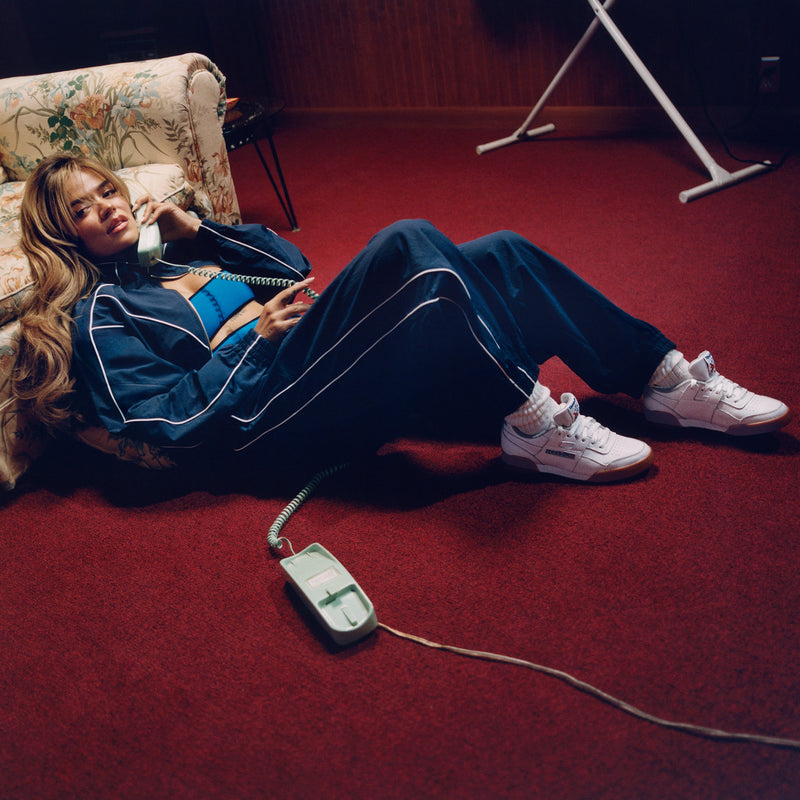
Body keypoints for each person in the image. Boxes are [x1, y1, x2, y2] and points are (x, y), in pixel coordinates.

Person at [13, 153, 791, 484]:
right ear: (61, 233)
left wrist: (197, 233)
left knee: (500, 253)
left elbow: (291, 272)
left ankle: (661, 378)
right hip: (258, 424)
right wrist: (251, 339)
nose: (107, 210)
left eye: (106, 192)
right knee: (408, 245)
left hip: (304, 368)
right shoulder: (101, 316)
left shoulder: (172, 259)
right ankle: (531, 426)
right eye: (82, 209)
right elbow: (163, 419)